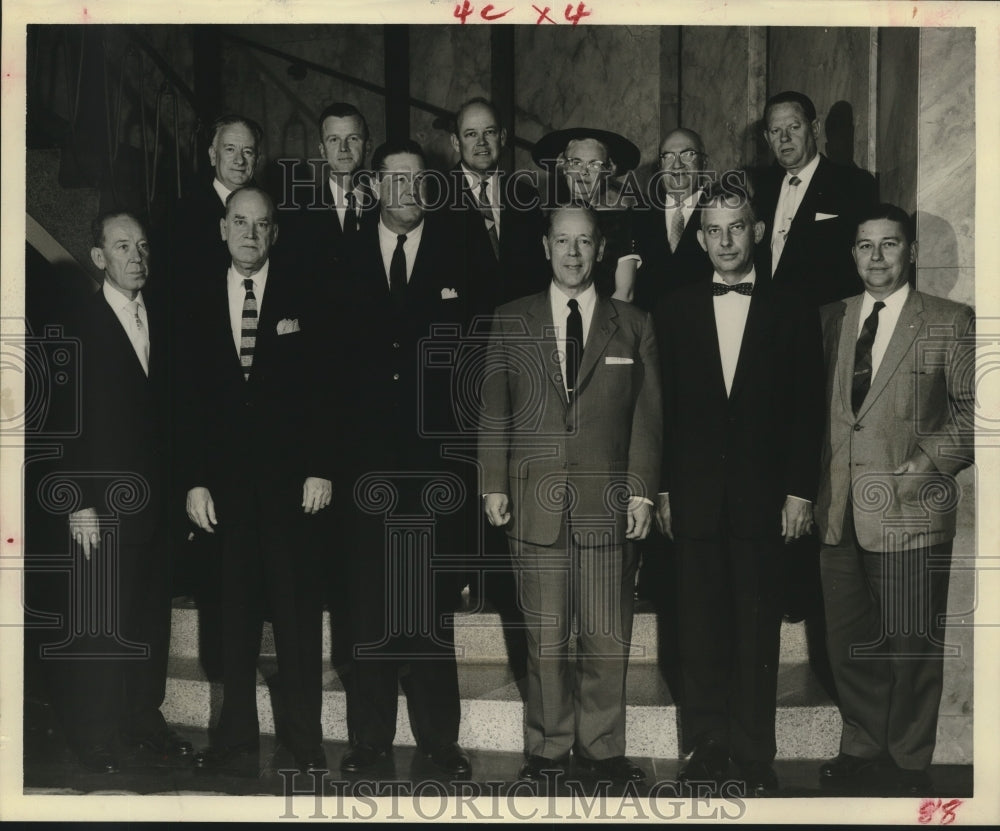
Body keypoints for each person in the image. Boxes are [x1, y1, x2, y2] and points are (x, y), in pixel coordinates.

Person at [479, 205, 662, 785]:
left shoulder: (633, 323)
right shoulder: (510, 319)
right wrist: (491, 483)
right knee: (545, 637)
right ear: (545, 246)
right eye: (563, 241)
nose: (574, 253)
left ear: (600, 249)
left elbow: (647, 418)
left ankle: (603, 749)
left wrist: (641, 494)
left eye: (584, 242)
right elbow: (494, 412)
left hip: (607, 506)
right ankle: (547, 750)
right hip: (534, 504)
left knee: (606, 637)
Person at [652, 184, 824, 795]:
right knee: (697, 627)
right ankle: (707, 744)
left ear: (755, 231)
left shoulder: (793, 307)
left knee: (756, 627)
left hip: (765, 498)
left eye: (736, 228)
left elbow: (810, 410)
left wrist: (801, 492)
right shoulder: (671, 310)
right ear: (699, 239)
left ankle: (754, 750)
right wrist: (664, 490)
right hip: (693, 498)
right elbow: (661, 412)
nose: (725, 240)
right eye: (713, 230)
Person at [813, 204, 975, 794]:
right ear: (852, 254)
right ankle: (861, 745)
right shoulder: (831, 318)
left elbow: (976, 411)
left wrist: (929, 459)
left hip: (910, 509)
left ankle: (908, 761)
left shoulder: (950, 320)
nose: (876, 257)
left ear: (910, 252)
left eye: (888, 245)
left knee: (910, 647)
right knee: (848, 643)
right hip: (838, 511)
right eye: (864, 246)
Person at [180, 186, 332, 775]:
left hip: (292, 487)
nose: (250, 234)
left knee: (295, 618)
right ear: (222, 228)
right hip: (222, 492)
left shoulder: (306, 295)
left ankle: (304, 739)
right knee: (231, 617)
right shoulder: (192, 299)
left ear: (275, 233)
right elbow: (184, 400)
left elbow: (326, 391)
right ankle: (235, 738)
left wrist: (321, 466)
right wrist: (193, 480)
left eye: (261, 224)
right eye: (239, 222)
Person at [331, 140, 470, 778]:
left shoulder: (459, 256)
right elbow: (321, 371)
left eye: (419, 179)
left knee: (428, 609)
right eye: (397, 179)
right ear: (375, 186)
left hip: (434, 470)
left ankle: (441, 743)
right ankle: (369, 744)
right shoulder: (341, 253)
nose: (409, 190)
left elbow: (477, 369)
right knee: (368, 609)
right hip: (362, 470)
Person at [49, 211, 191, 773]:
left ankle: (142, 717)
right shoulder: (76, 322)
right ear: (99, 258)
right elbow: (61, 421)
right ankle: (94, 731)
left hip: (154, 504)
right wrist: (77, 501)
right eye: (123, 246)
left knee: (148, 617)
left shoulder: (162, 318)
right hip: (100, 505)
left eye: (143, 245)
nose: (137, 255)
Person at [754, 90, 877, 306]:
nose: (784, 138)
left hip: (826, 321)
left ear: (815, 128)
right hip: (768, 320)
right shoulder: (761, 189)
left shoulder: (853, 184)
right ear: (767, 138)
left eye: (794, 127)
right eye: (776, 130)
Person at [446, 97, 549, 316]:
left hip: (518, 333)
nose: (481, 142)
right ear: (456, 142)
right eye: (471, 134)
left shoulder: (525, 195)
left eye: (489, 132)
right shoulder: (436, 196)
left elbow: (538, 272)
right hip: (460, 335)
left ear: (502, 137)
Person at [532, 127, 642, 303]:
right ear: (564, 167)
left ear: (607, 171)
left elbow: (625, 293)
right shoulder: (543, 223)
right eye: (576, 162)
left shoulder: (622, 222)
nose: (584, 172)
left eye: (594, 164)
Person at [171, 114, 264, 286]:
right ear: (213, 155)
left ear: (257, 159)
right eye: (230, 149)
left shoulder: (271, 210)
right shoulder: (183, 213)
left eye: (248, 152)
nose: (239, 160)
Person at [285, 102, 375, 277]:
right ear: (322, 150)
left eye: (353, 138)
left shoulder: (386, 204)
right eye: (334, 140)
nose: (344, 148)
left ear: (368, 146)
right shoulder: (299, 213)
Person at [632, 128, 712, 312]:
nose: (677, 165)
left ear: (704, 162)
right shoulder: (637, 217)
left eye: (688, 154)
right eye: (668, 156)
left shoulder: (720, 213)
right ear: (659, 167)